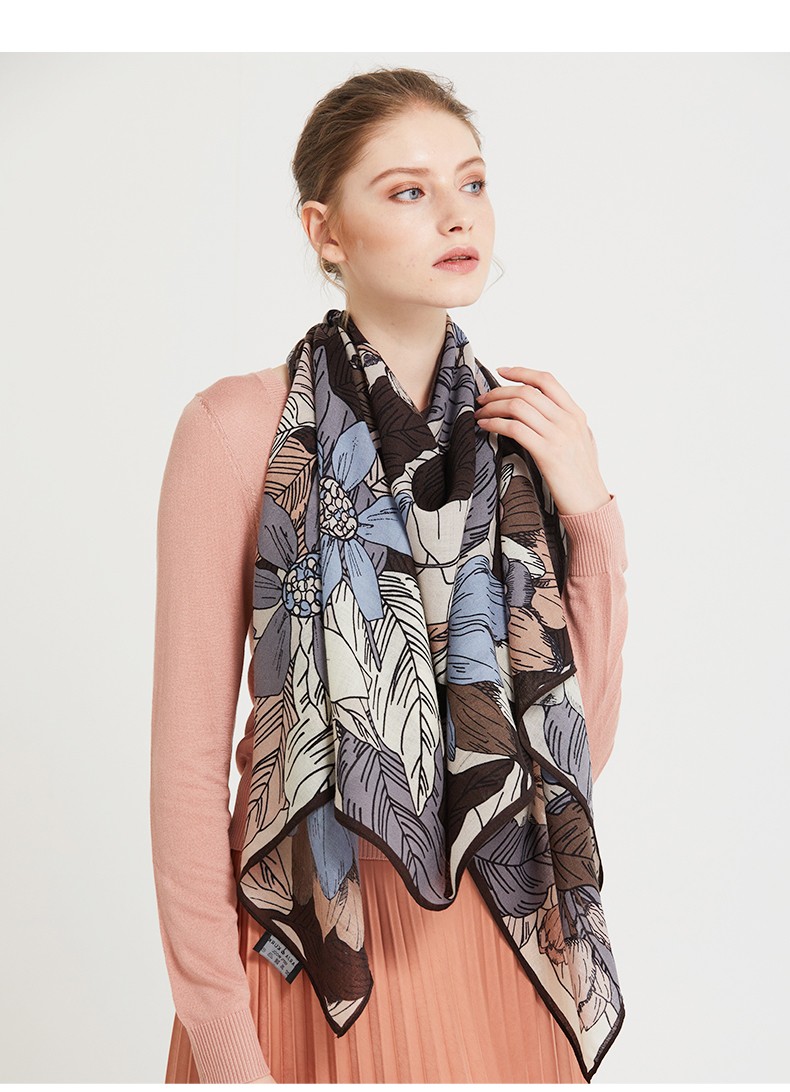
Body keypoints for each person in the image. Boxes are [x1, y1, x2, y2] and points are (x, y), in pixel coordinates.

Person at [150, 66, 629, 1084]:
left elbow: (575, 745)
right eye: (408, 190)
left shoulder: (518, 439)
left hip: (501, 947)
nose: (456, 215)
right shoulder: (236, 430)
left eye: (472, 182)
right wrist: (224, 1041)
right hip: (315, 950)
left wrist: (590, 514)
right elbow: (186, 772)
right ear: (325, 231)